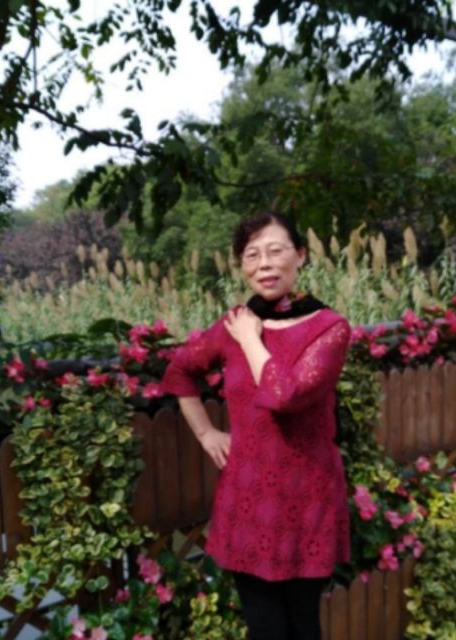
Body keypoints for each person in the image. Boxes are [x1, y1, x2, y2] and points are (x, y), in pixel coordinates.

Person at [161, 211, 351, 640]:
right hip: (248, 497)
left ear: (300, 255)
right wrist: (206, 433)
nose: (264, 264)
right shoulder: (232, 324)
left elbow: (286, 395)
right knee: (263, 627)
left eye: (275, 251)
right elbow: (180, 370)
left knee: (303, 626)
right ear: (242, 264)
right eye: (252, 255)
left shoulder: (329, 328)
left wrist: (250, 338)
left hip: (307, 498)